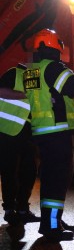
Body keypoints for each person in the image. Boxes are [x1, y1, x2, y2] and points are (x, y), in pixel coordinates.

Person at [23, 28, 74, 241]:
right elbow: (72, 87)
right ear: (56, 47)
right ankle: (51, 226)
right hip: (57, 130)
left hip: (42, 131)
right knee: (58, 179)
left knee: (51, 179)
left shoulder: (32, 70)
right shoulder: (54, 68)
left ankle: (52, 220)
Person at [0, 64, 39, 226]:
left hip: (30, 132)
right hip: (7, 130)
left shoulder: (38, 78)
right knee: (9, 171)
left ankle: (23, 208)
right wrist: (25, 95)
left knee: (29, 172)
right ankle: (9, 209)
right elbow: (1, 91)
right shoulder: (15, 73)